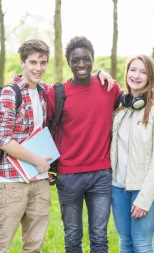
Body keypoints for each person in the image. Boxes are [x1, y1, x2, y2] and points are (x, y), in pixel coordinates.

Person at [45, 36, 121, 253]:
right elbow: (41, 130)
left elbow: (130, 105)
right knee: (72, 236)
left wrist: (105, 75)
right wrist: (44, 166)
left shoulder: (109, 88)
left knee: (99, 237)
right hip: (68, 176)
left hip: (101, 175)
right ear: (68, 61)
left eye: (86, 59)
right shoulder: (56, 94)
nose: (81, 65)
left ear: (93, 59)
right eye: (75, 60)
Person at [0, 39, 52, 253]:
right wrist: (37, 161)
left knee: (34, 246)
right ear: (22, 62)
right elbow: (3, 139)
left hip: (40, 180)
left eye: (43, 63)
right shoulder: (10, 92)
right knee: (0, 245)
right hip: (11, 181)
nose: (38, 68)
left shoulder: (45, 92)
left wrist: (101, 75)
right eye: (33, 62)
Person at [111, 55, 154, 252]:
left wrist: (145, 198)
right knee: (125, 244)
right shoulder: (120, 109)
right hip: (117, 188)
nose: (136, 75)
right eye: (133, 70)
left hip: (143, 190)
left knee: (142, 245)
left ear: (149, 78)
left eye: (143, 72)